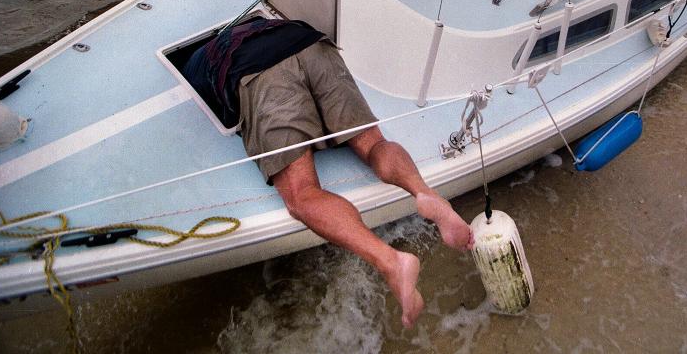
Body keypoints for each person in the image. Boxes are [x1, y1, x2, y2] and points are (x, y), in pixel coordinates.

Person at [184, 18, 473, 327]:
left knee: (302, 193)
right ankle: (425, 194)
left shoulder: (198, 63)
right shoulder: (264, 23)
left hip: (265, 75)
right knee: (374, 143)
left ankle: (391, 261)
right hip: (312, 46)